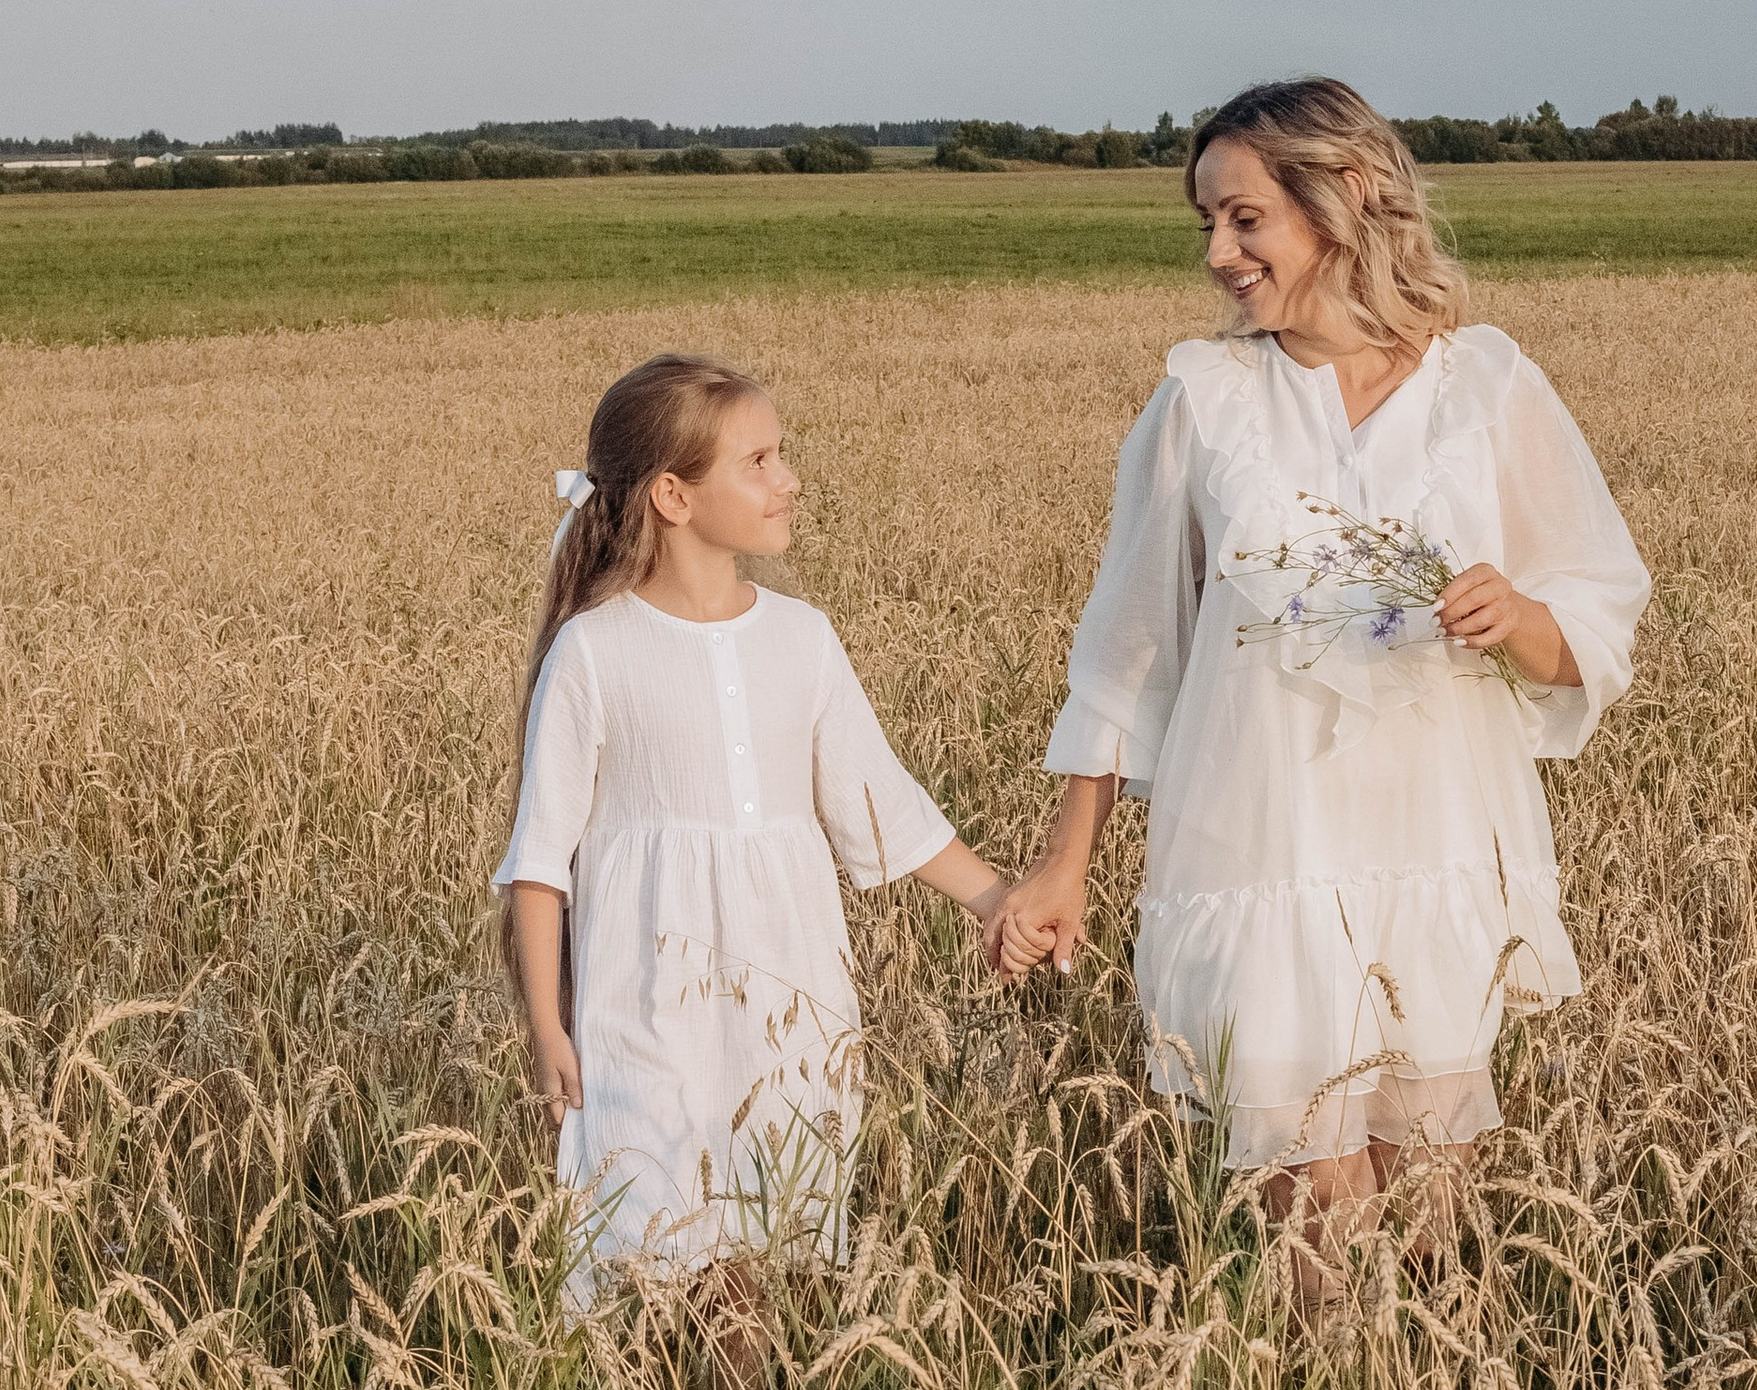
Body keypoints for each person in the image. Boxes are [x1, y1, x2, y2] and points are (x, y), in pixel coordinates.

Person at [993, 77, 1649, 1293]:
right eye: (1207, 222)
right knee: (1310, 1236)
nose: (1217, 253)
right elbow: (1128, 652)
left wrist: (1518, 619)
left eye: (1244, 218)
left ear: (1343, 196)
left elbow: (1596, 627)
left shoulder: (1486, 388)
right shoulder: (1204, 401)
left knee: (1427, 1238)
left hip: (1431, 841)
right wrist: (1063, 864)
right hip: (1262, 845)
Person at [497, 352, 1010, 1293]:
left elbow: (879, 802)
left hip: (792, 999)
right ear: (674, 496)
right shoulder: (595, 651)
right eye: (760, 461)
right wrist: (546, 1025)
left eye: (782, 455)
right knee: (658, 1257)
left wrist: (995, 901)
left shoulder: (802, 637)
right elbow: (541, 858)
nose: (790, 479)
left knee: (779, 1253)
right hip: (646, 1007)